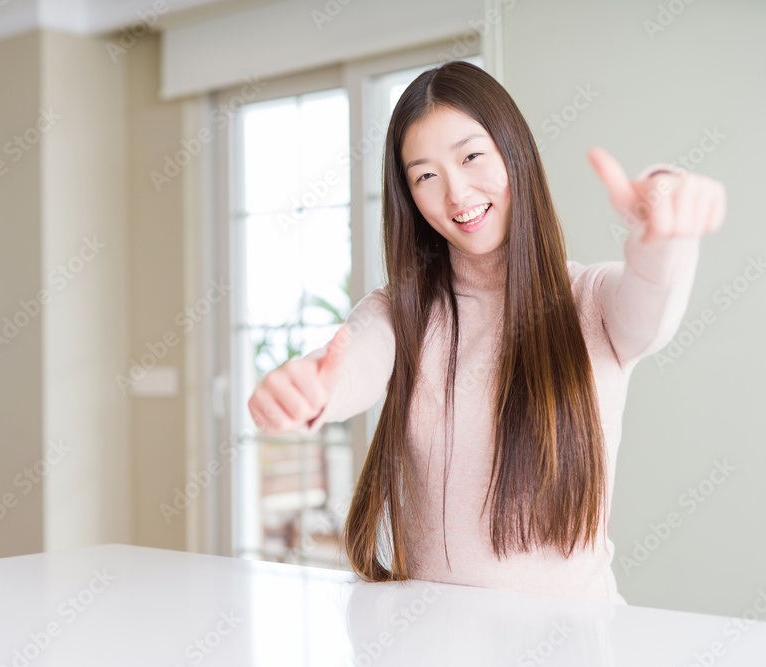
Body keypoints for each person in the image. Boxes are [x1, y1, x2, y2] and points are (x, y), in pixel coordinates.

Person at [246, 60, 726, 604]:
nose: (456, 194)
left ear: (513, 151)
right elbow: (353, 362)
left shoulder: (591, 302)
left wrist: (664, 232)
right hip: (429, 638)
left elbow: (652, 298)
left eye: (472, 155)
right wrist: (309, 391)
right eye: (425, 175)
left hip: (576, 643)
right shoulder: (399, 313)